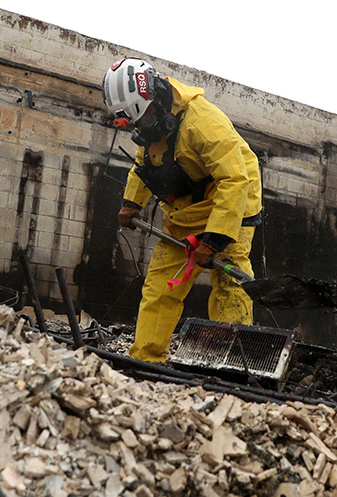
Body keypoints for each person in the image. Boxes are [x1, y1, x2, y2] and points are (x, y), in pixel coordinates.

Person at [102, 58, 262, 363]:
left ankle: (235, 362)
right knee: (159, 287)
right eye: (136, 125)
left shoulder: (203, 122)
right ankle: (146, 359)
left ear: (158, 100)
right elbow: (144, 163)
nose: (141, 129)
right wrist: (131, 202)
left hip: (232, 201)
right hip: (186, 210)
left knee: (229, 284)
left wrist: (214, 240)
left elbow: (234, 178)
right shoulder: (151, 127)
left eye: (143, 121)